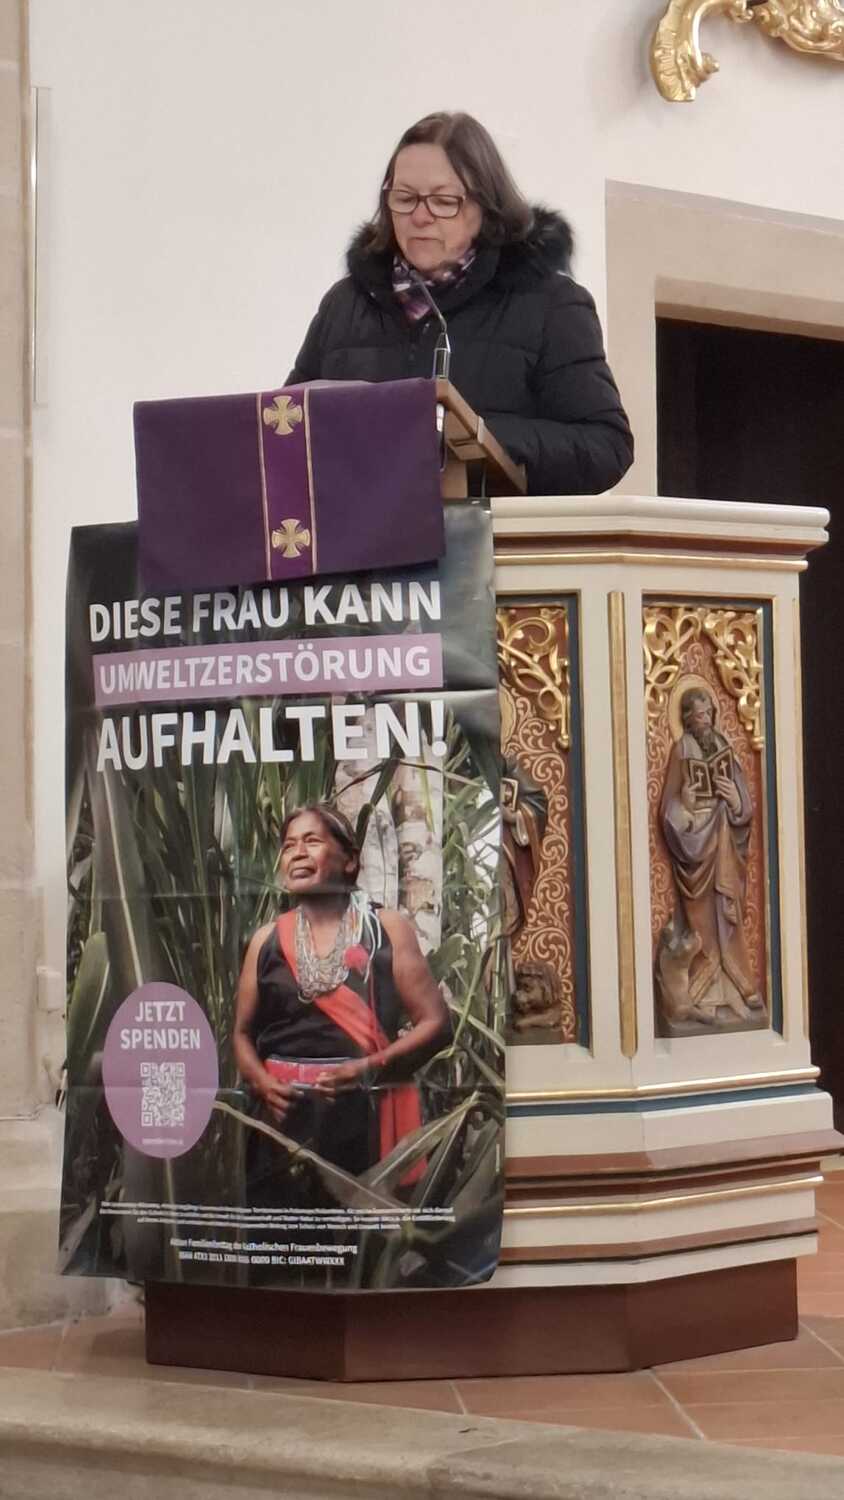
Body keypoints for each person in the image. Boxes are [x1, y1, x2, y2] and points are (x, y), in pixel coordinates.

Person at [287, 112, 633, 497]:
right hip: (360, 531)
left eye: (443, 201)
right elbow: (283, 428)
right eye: (405, 198)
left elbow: (606, 447)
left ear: (485, 206)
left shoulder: (550, 305)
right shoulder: (345, 305)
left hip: (486, 533)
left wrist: (474, 438)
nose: (420, 217)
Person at [233, 804, 449, 1193]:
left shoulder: (386, 930)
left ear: (349, 860)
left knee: (360, 1229)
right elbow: (241, 1035)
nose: (297, 853)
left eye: (311, 841)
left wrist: (368, 1068)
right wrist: (262, 1082)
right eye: (289, 845)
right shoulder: (265, 941)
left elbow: (436, 1024)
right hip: (280, 1125)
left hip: (363, 1121)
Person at [658, 686, 764, 1025]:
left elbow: (745, 807)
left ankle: (736, 990)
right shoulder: (681, 750)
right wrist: (686, 805)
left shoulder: (724, 746)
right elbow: (668, 810)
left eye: (708, 713)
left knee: (728, 915)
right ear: (687, 719)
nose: (704, 720)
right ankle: (701, 994)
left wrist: (735, 800)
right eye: (698, 715)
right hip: (695, 844)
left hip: (725, 842)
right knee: (701, 924)